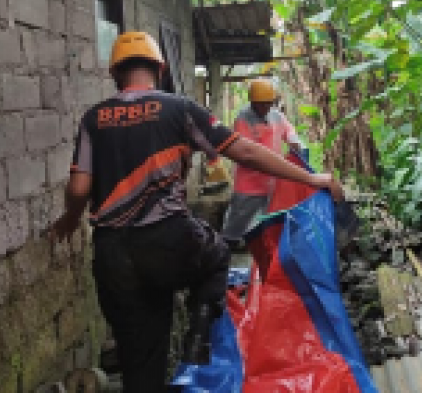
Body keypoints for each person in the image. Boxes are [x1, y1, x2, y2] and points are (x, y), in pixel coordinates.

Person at [48, 32, 343, 393]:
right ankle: (197, 340)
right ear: (160, 68)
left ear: (115, 74)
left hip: (112, 255)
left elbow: (79, 188)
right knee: (218, 254)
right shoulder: (178, 108)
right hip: (168, 239)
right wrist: (311, 178)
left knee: (141, 360)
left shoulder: (93, 119)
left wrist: (68, 219)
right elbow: (245, 153)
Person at [221, 78, 303, 246]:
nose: (265, 107)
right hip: (249, 183)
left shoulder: (277, 116)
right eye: (260, 104)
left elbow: (289, 131)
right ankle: (226, 246)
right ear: (252, 102)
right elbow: (247, 151)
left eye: (268, 103)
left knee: (269, 216)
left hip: (273, 180)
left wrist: (295, 142)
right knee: (238, 218)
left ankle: (262, 245)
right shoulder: (243, 119)